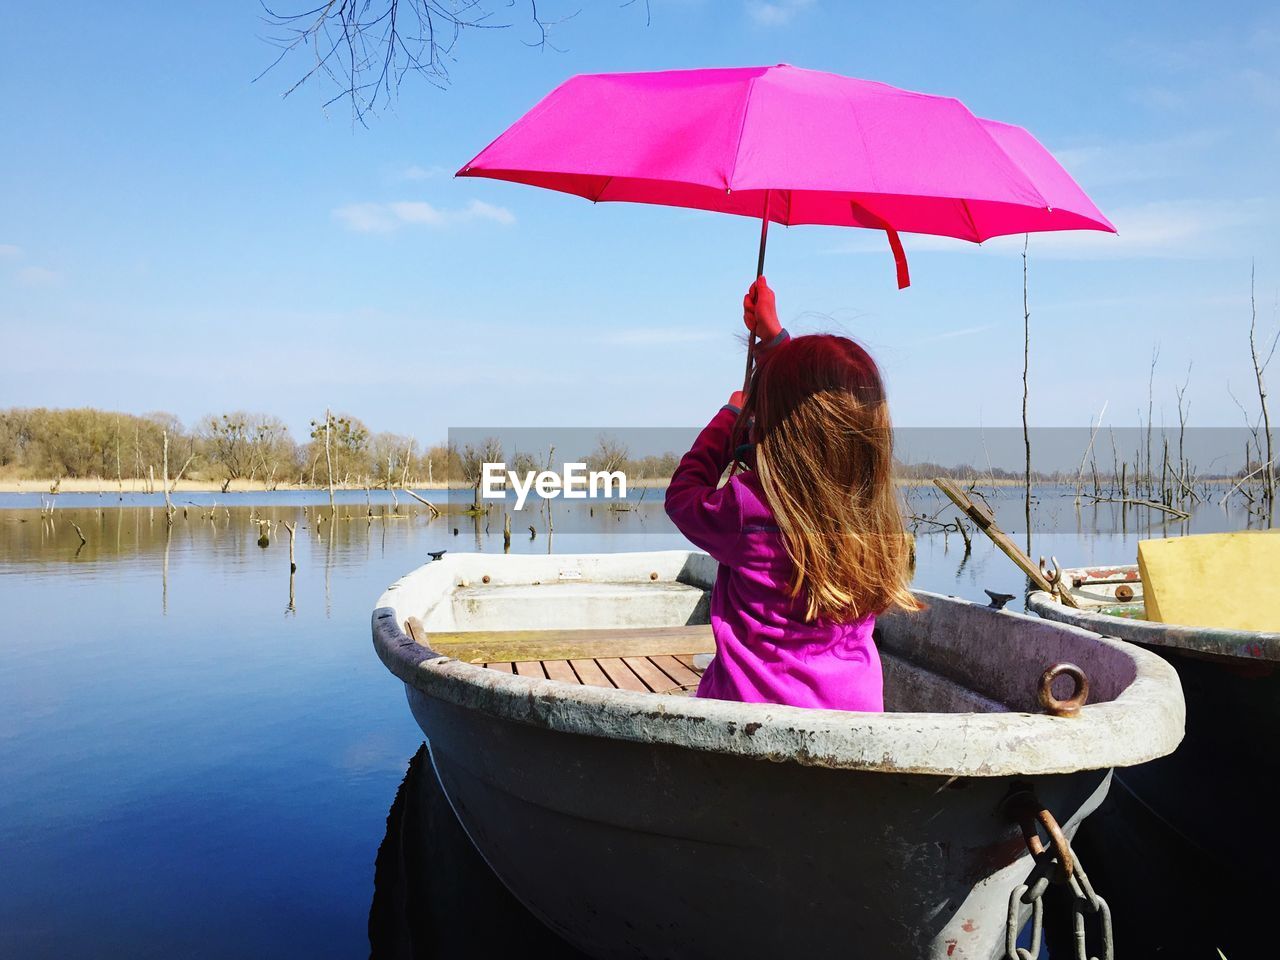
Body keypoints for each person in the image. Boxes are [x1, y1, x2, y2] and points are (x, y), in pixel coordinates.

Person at [664, 277, 918, 711]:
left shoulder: (748, 508)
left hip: (752, 715)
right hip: (855, 714)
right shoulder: (874, 520)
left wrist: (728, 418)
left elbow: (683, 496)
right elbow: (824, 405)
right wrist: (774, 338)